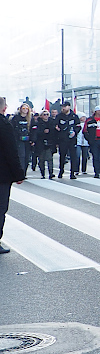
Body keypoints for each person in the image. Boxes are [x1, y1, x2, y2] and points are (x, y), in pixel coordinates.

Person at [0, 98, 25, 254]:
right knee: (0, 207)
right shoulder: (4, 125)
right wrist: (18, 174)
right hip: (2, 174)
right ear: (4, 108)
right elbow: (11, 151)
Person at [53, 103, 81, 179]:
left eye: (65, 106)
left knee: (73, 156)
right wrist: (56, 128)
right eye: (62, 107)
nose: (63, 108)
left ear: (69, 107)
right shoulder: (59, 116)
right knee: (62, 156)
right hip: (62, 139)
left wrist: (75, 132)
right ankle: (61, 171)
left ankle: (72, 173)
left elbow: (78, 126)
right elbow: (55, 125)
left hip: (72, 140)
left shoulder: (74, 116)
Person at [84, 108, 100, 179]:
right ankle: (96, 172)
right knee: (96, 157)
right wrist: (90, 139)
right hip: (94, 141)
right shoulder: (89, 120)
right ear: (97, 111)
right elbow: (85, 131)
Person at [12, 103, 33, 173]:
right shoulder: (16, 118)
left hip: (28, 140)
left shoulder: (30, 118)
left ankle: (24, 172)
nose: (25, 110)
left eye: (27, 108)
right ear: (21, 109)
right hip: (19, 140)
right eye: (23, 108)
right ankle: (21, 172)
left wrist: (33, 139)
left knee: (27, 157)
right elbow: (13, 129)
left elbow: (33, 130)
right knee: (21, 156)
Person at [35, 110, 55, 178]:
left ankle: (51, 173)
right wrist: (43, 132)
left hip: (49, 143)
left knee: (50, 159)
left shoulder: (51, 122)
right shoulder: (38, 123)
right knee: (41, 159)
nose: (46, 116)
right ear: (41, 116)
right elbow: (36, 133)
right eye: (44, 114)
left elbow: (54, 132)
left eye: (47, 114)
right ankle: (42, 173)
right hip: (40, 143)